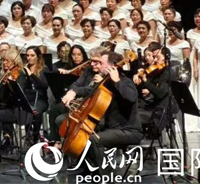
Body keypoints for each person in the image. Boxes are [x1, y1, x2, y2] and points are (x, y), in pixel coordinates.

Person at [61, 47, 143, 175]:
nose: (97, 66)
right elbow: (89, 90)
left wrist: (117, 82)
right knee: (83, 136)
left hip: (128, 130)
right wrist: (73, 92)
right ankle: (91, 170)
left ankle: (105, 176)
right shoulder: (105, 82)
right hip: (111, 128)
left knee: (94, 140)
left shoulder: (125, 81)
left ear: (112, 67)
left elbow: (131, 97)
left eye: (101, 63)